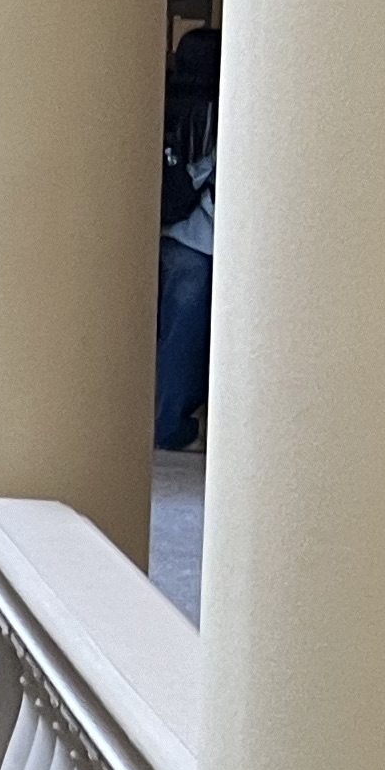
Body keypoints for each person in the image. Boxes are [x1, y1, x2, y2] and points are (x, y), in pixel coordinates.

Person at [157, 28, 219, 452]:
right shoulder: (220, 111)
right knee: (187, 340)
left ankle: (170, 423)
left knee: (173, 337)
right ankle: (172, 426)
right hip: (201, 239)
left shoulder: (166, 104)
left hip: (170, 234)